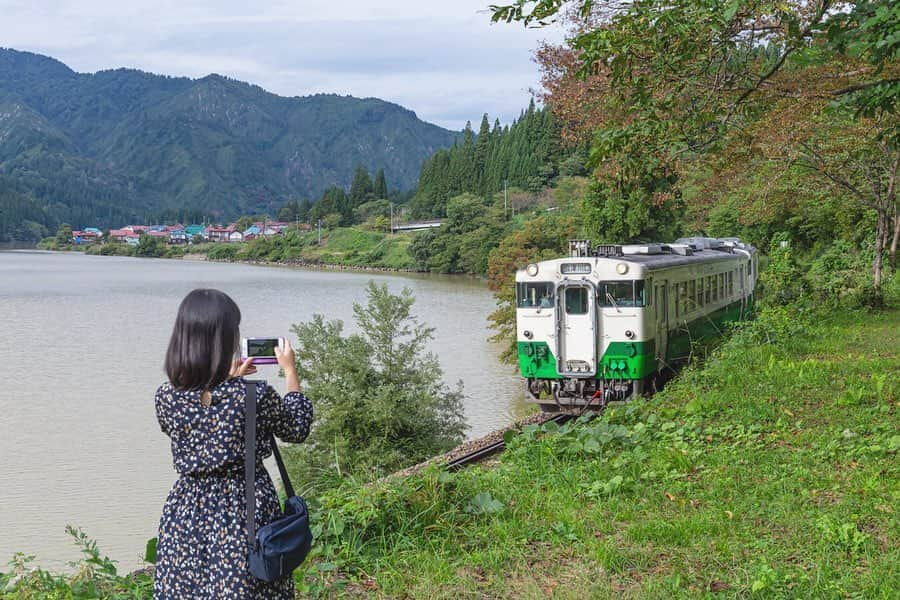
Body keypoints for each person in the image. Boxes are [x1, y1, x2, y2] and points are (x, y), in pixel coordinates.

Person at [153, 289, 313, 599]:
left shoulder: (165, 396)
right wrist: (290, 371)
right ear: (227, 338)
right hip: (244, 511)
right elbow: (297, 427)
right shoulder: (253, 395)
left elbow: (203, 420)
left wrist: (226, 381)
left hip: (186, 514)